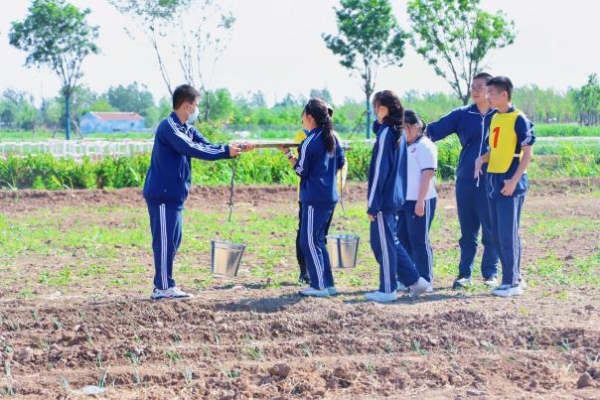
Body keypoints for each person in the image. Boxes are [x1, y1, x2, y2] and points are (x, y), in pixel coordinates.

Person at [143, 84, 253, 300]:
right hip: (163, 195)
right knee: (164, 241)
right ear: (186, 106)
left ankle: (164, 283)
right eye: (196, 105)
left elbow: (207, 145)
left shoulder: (187, 129)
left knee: (173, 240)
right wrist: (224, 152)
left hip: (174, 196)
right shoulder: (169, 127)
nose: (197, 109)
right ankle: (163, 286)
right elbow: (192, 149)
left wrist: (235, 148)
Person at [426, 72, 500, 289]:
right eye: (473, 86)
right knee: (467, 232)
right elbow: (433, 130)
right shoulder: (462, 114)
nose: (475, 90)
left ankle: (490, 273)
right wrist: (409, 133)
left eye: (480, 86)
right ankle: (464, 274)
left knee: (491, 229)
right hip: (466, 181)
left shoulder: (500, 116)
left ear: (490, 89)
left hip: (491, 181)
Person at [365, 90, 430, 303]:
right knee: (389, 242)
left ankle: (387, 289)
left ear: (385, 109)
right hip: (393, 198)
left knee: (382, 245)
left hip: (384, 200)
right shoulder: (395, 132)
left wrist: (373, 204)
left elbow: (379, 173)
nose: (375, 111)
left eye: (377, 107)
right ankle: (414, 280)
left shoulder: (388, 134)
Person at [474, 76, 535, 297]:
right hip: (494, 179)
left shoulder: (520, 119)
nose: (487, 96)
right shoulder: (494, 119)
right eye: (486, 93)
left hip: (511, 180)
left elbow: (527, 154)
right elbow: (497, 150)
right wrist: (482, 159)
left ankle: (511, 282)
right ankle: (513, 276)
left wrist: (514, 180)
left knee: (508, 234)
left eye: (491, 93)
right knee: (497, 234)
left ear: (504, 95)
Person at [281, 98, 345, 297]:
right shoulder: (333, 138)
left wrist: (288, 155)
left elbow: (301, 169)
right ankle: (328, 283)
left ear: (310, 118)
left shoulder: (309, 142)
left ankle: (318, 286)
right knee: (318, 240)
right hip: (329, 196)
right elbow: (341, 162)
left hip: (314, 198)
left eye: (303, 118)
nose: (302, 121)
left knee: (308, 241)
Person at [397, 109, 438, 291]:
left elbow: (427, 174)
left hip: (421, 199)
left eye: (404, 128)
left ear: (416, 126)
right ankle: (408, 278)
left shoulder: (425, 146)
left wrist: (420, 201)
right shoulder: (403, 146)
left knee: (419, 241)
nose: (402, 132)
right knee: (403, 239)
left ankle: (426, 278)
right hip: (404, 200)